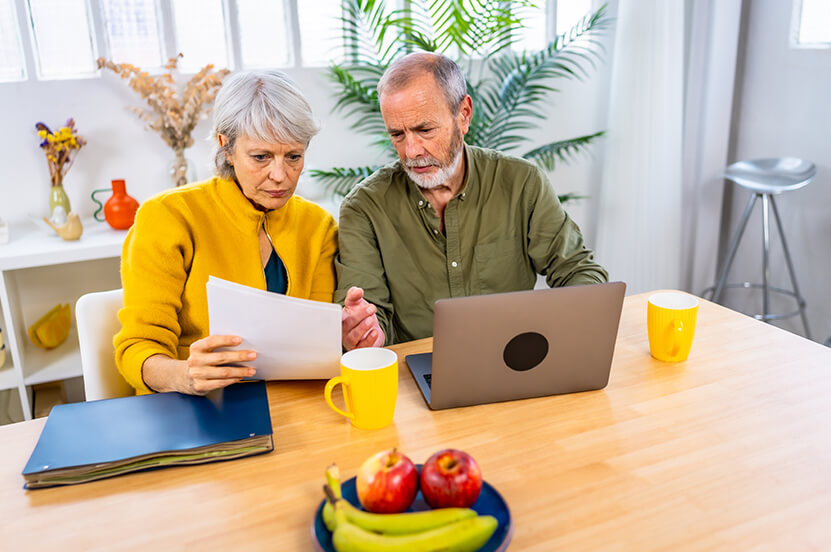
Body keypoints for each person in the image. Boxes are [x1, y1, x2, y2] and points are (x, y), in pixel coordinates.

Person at [338, 53, 608, 349]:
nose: (411, 150)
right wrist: (365, 333)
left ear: (464, 114)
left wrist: (566, 323)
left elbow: (578, 271)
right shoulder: (363, 209)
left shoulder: (522, 183)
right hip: (416, 373)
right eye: (397, 134)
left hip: (515, 360)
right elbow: (371, 319)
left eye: (425, 130)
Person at [115, 70, 338, 396]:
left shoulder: (318, 226)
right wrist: (185, 376)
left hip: (290, 402)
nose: (280, 175)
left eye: (294, 156)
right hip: (193, 404)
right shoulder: (168, 217)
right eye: (261, 157)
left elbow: (317, 347)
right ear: (226, 146)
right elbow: (138, 348)